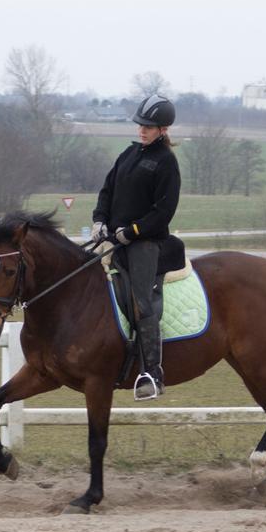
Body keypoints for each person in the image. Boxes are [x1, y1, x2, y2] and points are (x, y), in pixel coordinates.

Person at [90, 94, 181, 401]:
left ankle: (152, 373)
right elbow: (107, 189)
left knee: (141, 301)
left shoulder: (166, 162)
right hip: (114, 238)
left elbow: (163, 212)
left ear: (163, 129)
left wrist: (132, 232)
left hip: (145, 243)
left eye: (149, 126)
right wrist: (99, 220)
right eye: (141, 124)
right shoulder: (128, 155)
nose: (142, 130)